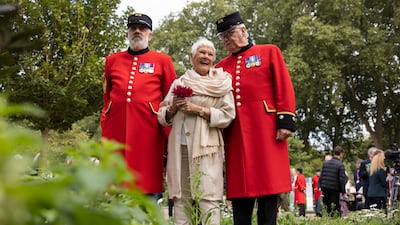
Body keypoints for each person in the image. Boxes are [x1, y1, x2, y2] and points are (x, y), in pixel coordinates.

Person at [215, 11, 296, 225]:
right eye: (223, 36)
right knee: (240, 189)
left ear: (243, 30)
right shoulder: (219, 67)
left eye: (230, 33)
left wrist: (285, 119)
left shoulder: (269, 52)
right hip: (235, 133)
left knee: (268, 187)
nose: (226, 39)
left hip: (266, 129)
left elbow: (284, 85)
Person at [158, 37, 235, 225]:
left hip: (207, 149)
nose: (206, 57)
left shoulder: (222, 83)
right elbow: (161, 115)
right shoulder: (179, 83)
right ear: (192, 57)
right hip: (180, 149)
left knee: (208, 198)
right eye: (202, 52)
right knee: (181, 198)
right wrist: (172, 109)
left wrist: (199, 110)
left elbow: (228, 115)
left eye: (210, 54)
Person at [100, 13, 176, 195]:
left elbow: (171, 98)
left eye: (142, 28)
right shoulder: (112, 60)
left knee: (145, 180)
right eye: (133, 28)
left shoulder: (163, 60)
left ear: (150, 35)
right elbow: (107, 94)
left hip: (148, 129)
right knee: (113, 180)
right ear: (127, 33)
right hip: (116, 128)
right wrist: (106, 117)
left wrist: (167, 134)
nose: (137, 31)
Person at [319, 146, 348, 217]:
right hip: (334, 189)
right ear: (341, 154)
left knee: (327, 207)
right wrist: (343, 192)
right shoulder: (340, 165)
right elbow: (341, 179)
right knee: (335, 207)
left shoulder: (326, 163)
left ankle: (326, 220)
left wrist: (321, 187)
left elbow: (322, 176)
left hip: (325, 188)